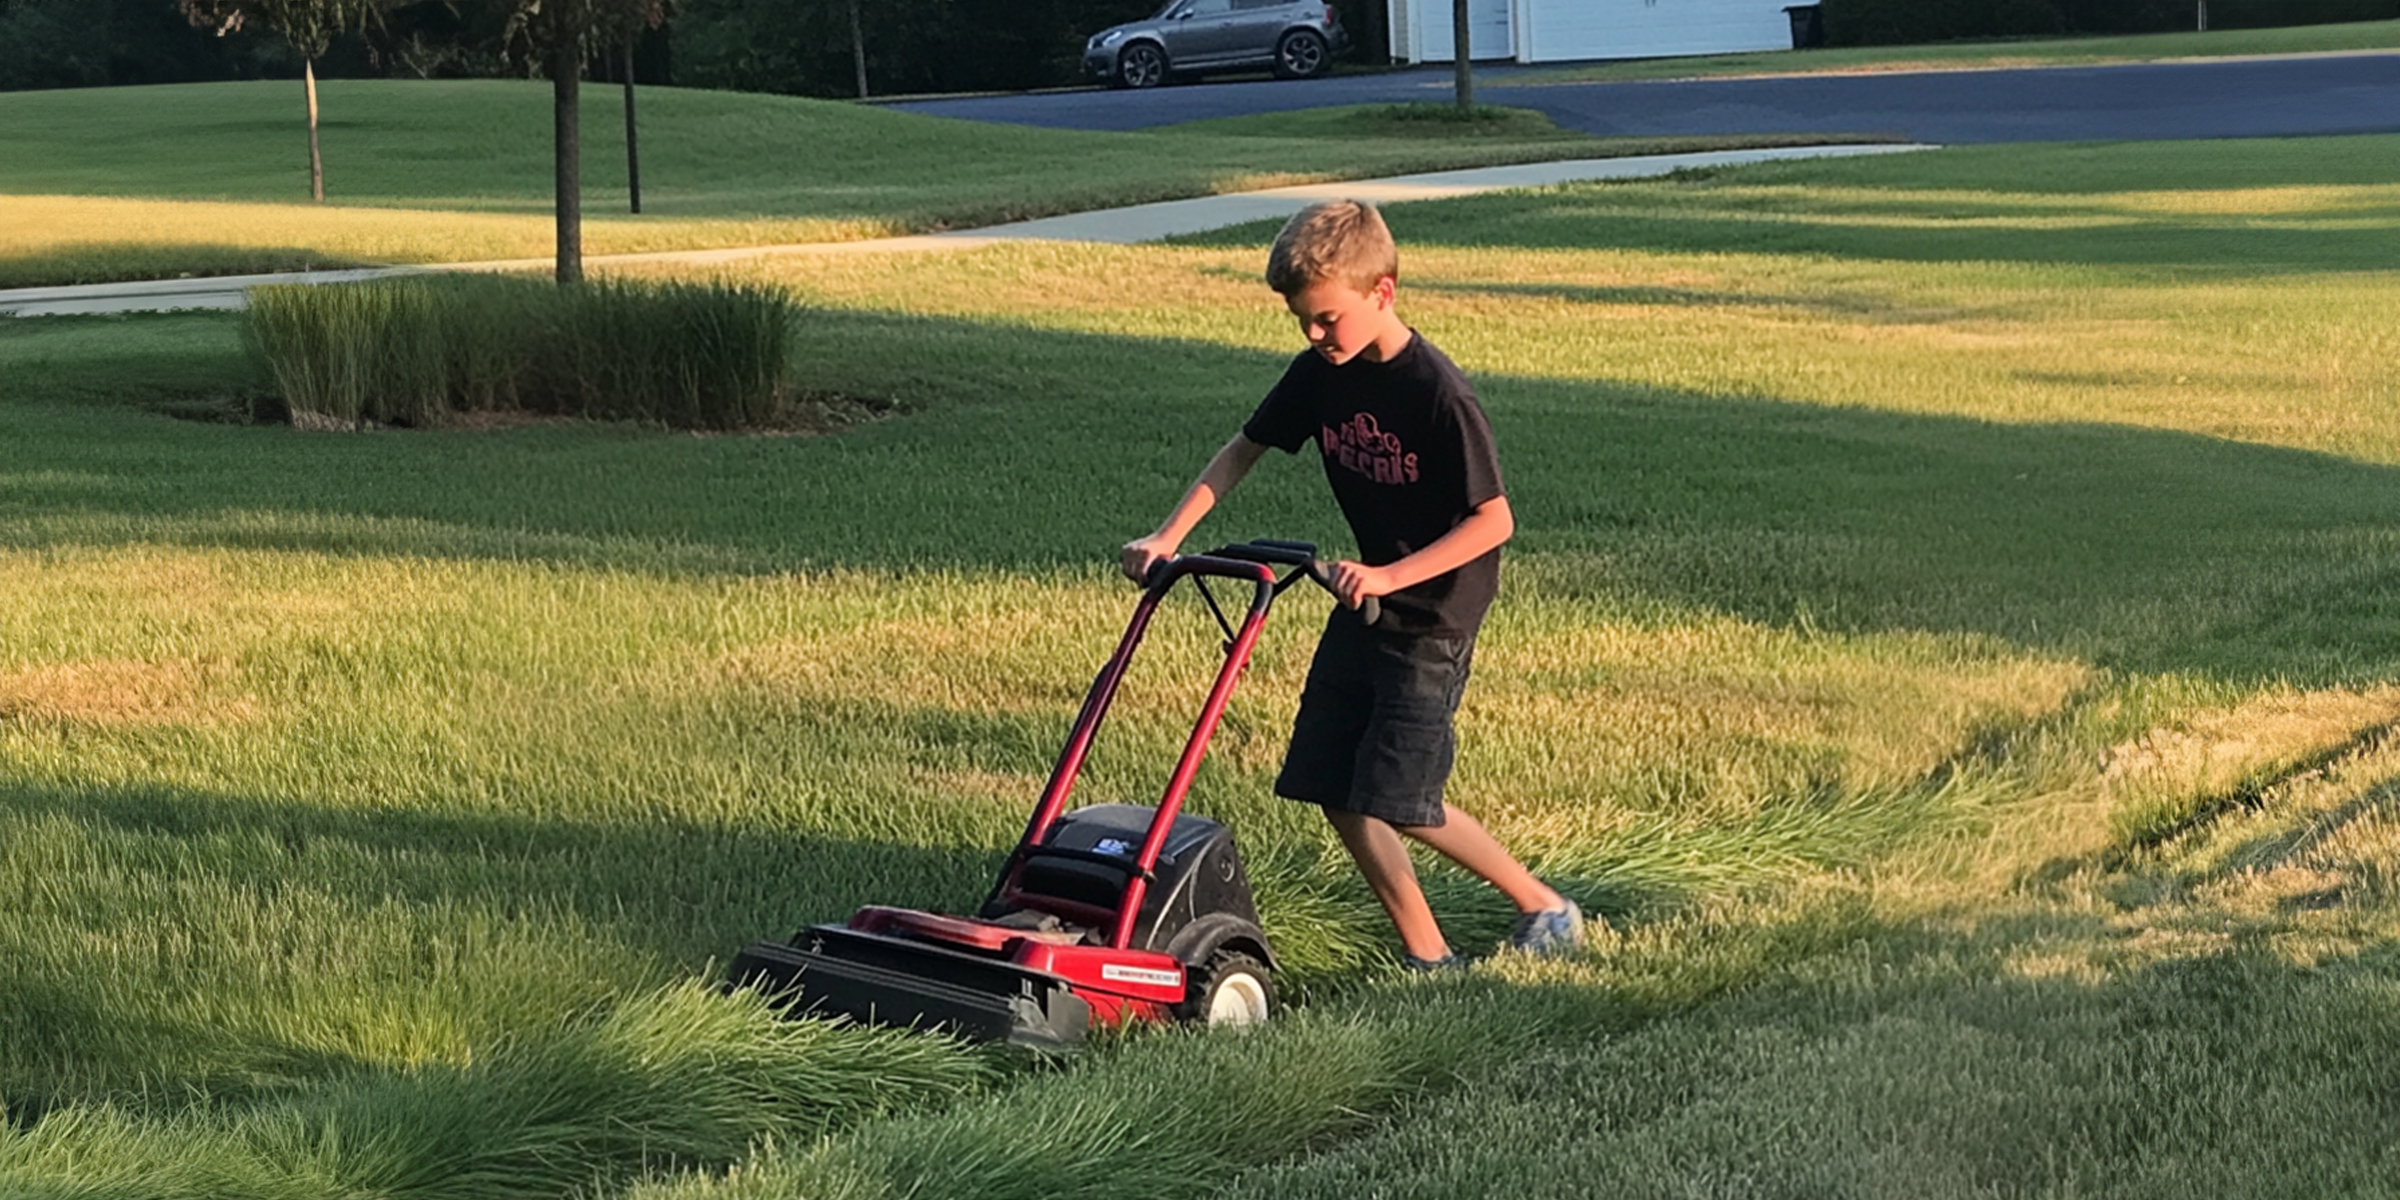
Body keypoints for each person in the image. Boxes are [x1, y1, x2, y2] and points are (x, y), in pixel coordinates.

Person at [1119, 198, 1583, 971]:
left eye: (1326, 319)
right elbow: (1244, 449)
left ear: (1383, 292)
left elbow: (1493, 521)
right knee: (1334, 784)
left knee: (1403, 800)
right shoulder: (1319, 375)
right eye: (1301, 319)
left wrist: (1391, 574)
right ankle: (1428, 954)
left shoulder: (1438, 392)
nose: (1312, 335)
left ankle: (1544, 904)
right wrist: (1168, 536)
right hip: (1363, 605)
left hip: (1434, 612)